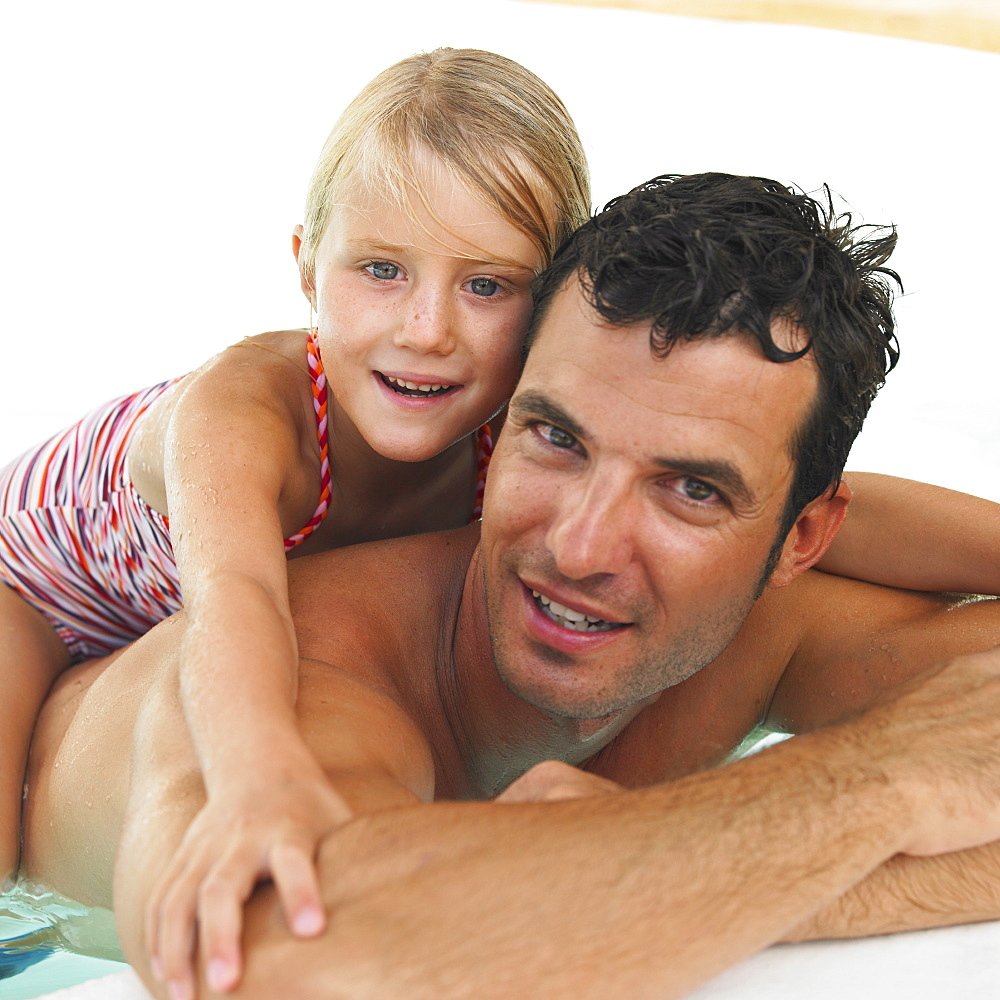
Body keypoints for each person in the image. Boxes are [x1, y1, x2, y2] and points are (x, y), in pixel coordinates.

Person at [19, 172, 1000, 1000]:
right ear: (499, 424)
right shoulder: (303, 678)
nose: (578, 549)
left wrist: (664, 869)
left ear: (802, 538)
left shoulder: (752, 630)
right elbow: (276, 967)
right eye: (556, 438)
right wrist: (872, 788)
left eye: (691, 489)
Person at [0, 46, 590, 914]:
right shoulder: (246, 413)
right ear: (308, 267)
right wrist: (259, 779)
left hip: (165, 625)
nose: (427, 330)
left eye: (488, 285)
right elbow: (237, 595)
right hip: (30, 589)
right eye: (382, 270)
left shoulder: (524, 438)